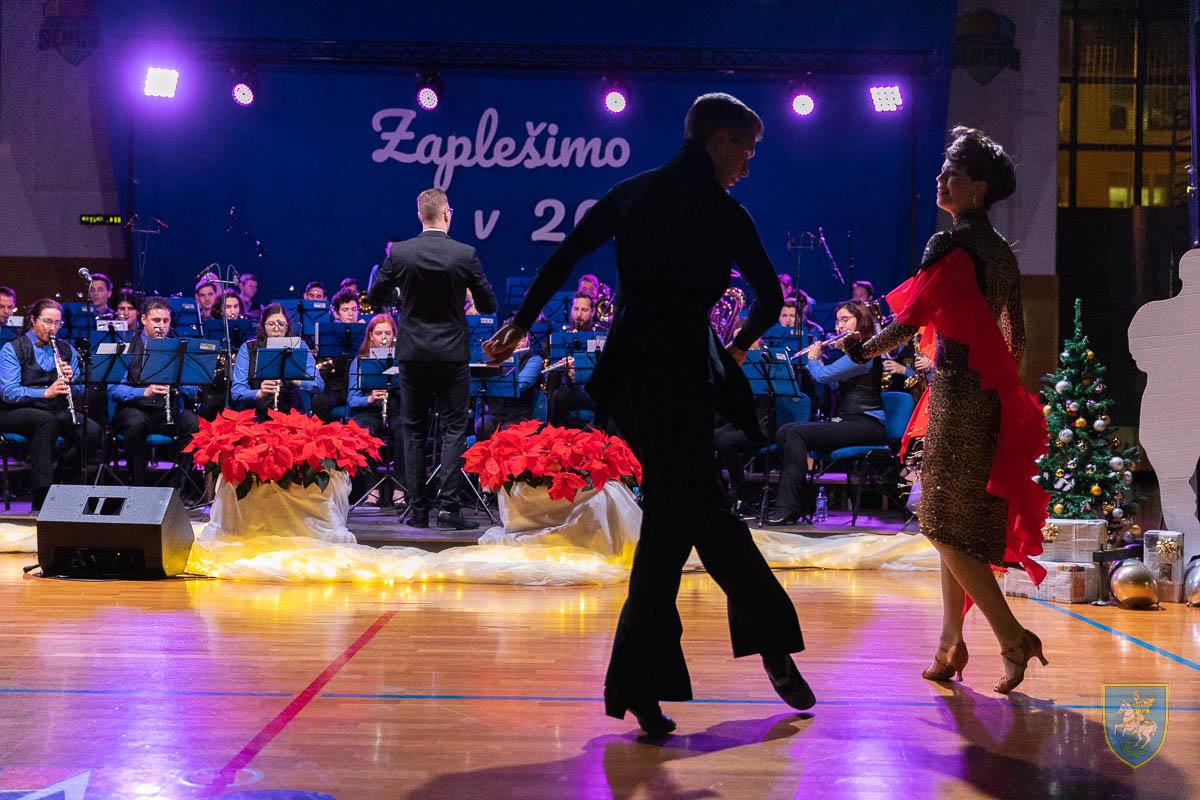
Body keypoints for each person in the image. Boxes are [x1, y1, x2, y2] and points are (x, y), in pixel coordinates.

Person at [484, 92, 812, 737]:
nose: (748, 164)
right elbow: (771, 299)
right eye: (747, 150)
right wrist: (735, 350)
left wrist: (521, 324)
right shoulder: (726, 212)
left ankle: (645, 682)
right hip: (684, 376)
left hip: (633, 378)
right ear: (719, 140)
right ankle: (760, 644)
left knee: (683, 515)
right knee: (686, 518)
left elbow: (563, 256)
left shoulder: (632, 193)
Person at [844, 126, 1049, 694]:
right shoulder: (1002, 252)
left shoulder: (948, 244)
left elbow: (908, 321)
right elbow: (1017, 337)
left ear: (977, 188)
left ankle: (1012, 637)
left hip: (957, 396)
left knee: (939, 524)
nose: (940, 180)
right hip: (988, 397)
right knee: (952, 525)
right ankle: (949, 643)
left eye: (951, 173)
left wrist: (861, 350)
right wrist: (997, 386)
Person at [368, 188, 497, 530]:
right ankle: (449, 509)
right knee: (453, 429)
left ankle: (418, 511)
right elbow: (488, 305)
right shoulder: (465, 254)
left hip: (413, 353)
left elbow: (376, 295)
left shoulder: (401, 252)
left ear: (419, 215)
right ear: (447, 214)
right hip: (452, 354)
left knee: (413, 430)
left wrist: (403, 295)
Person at [767, 300, 886, 524]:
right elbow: (833, 383)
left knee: (796, 433)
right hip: (848, 420)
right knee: (784, 431)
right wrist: (820, 360)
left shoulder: (865, 350)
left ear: (861, 320)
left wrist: (813, 358)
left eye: (845, 320)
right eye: (838, 321)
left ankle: (788, 507)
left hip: (867, 423)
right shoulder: (852, 351)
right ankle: (799, 502)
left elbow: (823, 376)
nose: (839, 326)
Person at [0, 299, 100, 509]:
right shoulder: (13, 349)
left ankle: (63, 483)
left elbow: (80, 389)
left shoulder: (66, 350)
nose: (52, 328)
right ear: (33, 320)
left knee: (91, 432)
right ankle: (41, 498)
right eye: (47, 321)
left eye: (56, 323)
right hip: (16, 410)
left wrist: (71, 382)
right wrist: (45, 393)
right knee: (45, 422)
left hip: (54, 408)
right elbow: (8, 392)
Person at [109, 298, 201, 487]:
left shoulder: (178, 349)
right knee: (136, 424)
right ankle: (138, 487)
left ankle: (177, 487)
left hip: (164, 412)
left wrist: (176, 384)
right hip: (133, 410)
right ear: (144, 320)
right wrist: (144, 391)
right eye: (156, 320)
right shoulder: (127, 347)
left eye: (166, 321)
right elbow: (114, 389)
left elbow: (192, 391)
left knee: (192, 422)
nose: (161, 326)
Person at [347, 313, 405, 503]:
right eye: (379, 333)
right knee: (364, 431)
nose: (383, 338)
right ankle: (372, 489)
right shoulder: (360, 361)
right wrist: (370, 398)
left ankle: (400, 488)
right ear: (371, 335)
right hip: (368, 410)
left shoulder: (402, 360)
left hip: (396, 408)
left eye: (388, 333)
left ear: (394, 335)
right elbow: (352, 400)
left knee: (404, 431)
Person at [230, 304, 324, 420]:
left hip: (292, 414)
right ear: (263, 326)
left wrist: (296, 381)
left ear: (287, 326)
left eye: (281, 324)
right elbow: (236, 391)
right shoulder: (248, 348)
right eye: (271, 324)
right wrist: (259, 393)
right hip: (256, 414)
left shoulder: (299, 345)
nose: (276, 328)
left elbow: (319, 384)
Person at [474, 322, 543, 440]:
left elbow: (521, 384)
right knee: (483, 426)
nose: (516, 344)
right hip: (495, 413)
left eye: (520, 339)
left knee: (508, 434)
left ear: (528, 339)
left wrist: (509, 363)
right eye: (512, 340)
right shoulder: (495, 359)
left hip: (518, 414)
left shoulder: (534, 360)